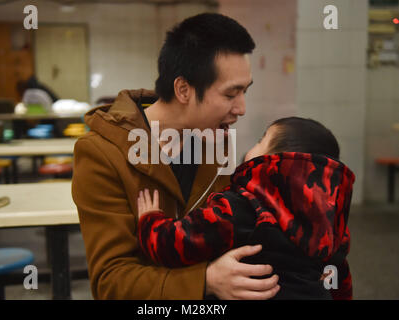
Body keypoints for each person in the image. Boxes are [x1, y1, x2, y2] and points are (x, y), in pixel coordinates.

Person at [72, 13, 280, 299]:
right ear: (183, 89)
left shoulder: (215, 140)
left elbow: (232, 230)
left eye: (245, 91)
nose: (242, 108)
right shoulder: (103, 154)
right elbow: (111, 282)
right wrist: (204, 281)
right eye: (231, 94)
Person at [137, 117, 355, 300]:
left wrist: (150, 220)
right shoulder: (331, 226)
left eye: (262, 140)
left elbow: (175, 244)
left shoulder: (242, 207)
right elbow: (339, 280)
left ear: (273, 161)